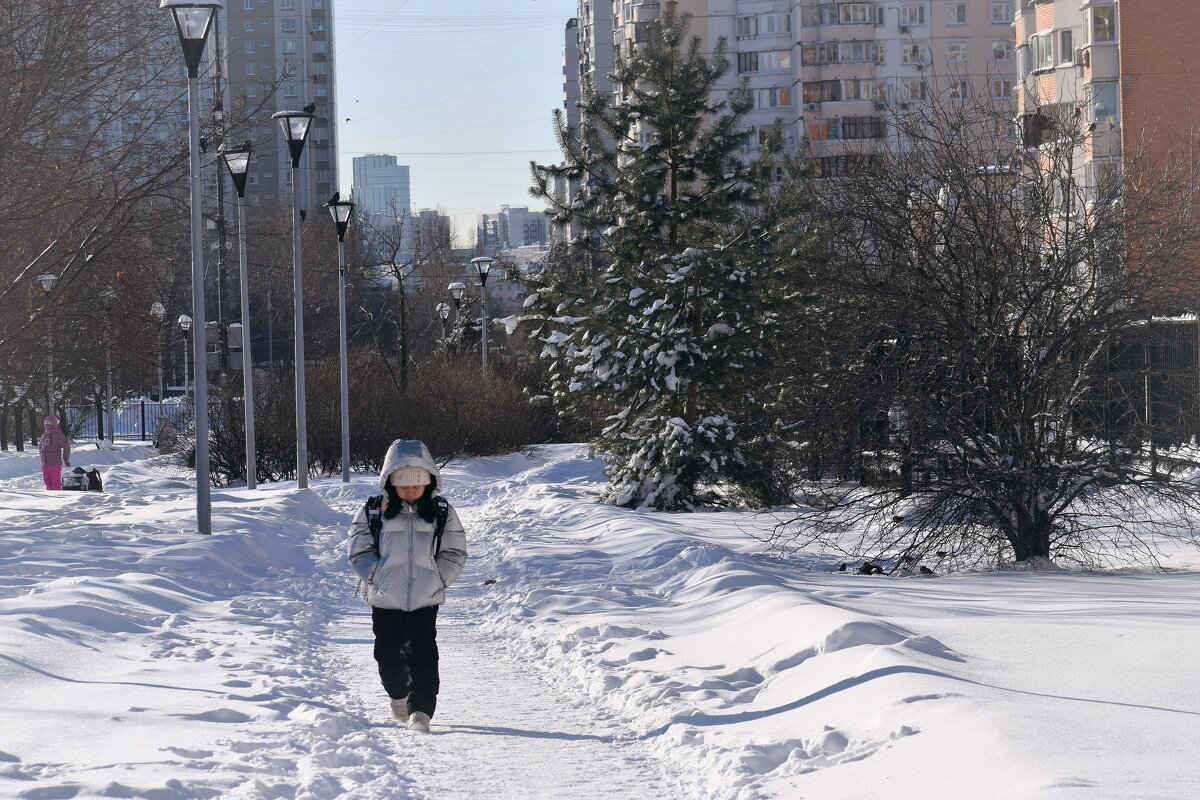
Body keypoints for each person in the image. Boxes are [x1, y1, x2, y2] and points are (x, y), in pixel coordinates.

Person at [347, 440, 467, 732]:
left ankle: (421, 712)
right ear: (390, 482)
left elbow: (454, 551)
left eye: (417, 484)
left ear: (429, 481)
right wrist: (376, 574)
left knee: (423, 655)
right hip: (386, 598)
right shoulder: (374, 511)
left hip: (425, 599)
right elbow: (358, 550)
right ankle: (399, 696)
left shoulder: (440, 511)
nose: (410, 490)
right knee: (387, 656)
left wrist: (438, 578)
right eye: (403, 485)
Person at [39, 416, 71, 491]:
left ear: (54, 424)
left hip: (54, 463)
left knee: (55, 482)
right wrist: (41, 455)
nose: (47, 426)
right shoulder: (44, 435)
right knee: (47, 481)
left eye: (49, 424)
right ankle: (50, 496)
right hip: (45, 463)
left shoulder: (58, 435)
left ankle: (57, 496)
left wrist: (66, 459)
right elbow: (40, 446)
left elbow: (66, 447)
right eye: (46, 424)